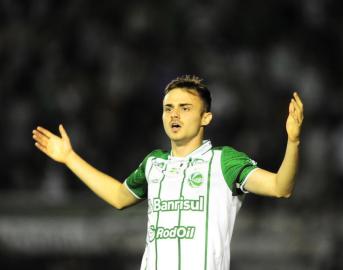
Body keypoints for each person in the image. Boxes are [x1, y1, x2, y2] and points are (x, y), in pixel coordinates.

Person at [32, 75, 304, 270]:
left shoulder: (224, 161)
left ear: (205, 118)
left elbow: (281, 188)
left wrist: (292, 142)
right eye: (168, 108)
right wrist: (69, 157)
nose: (174, 115)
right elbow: (118, 197)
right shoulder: (154, 164)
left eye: (185, 108)